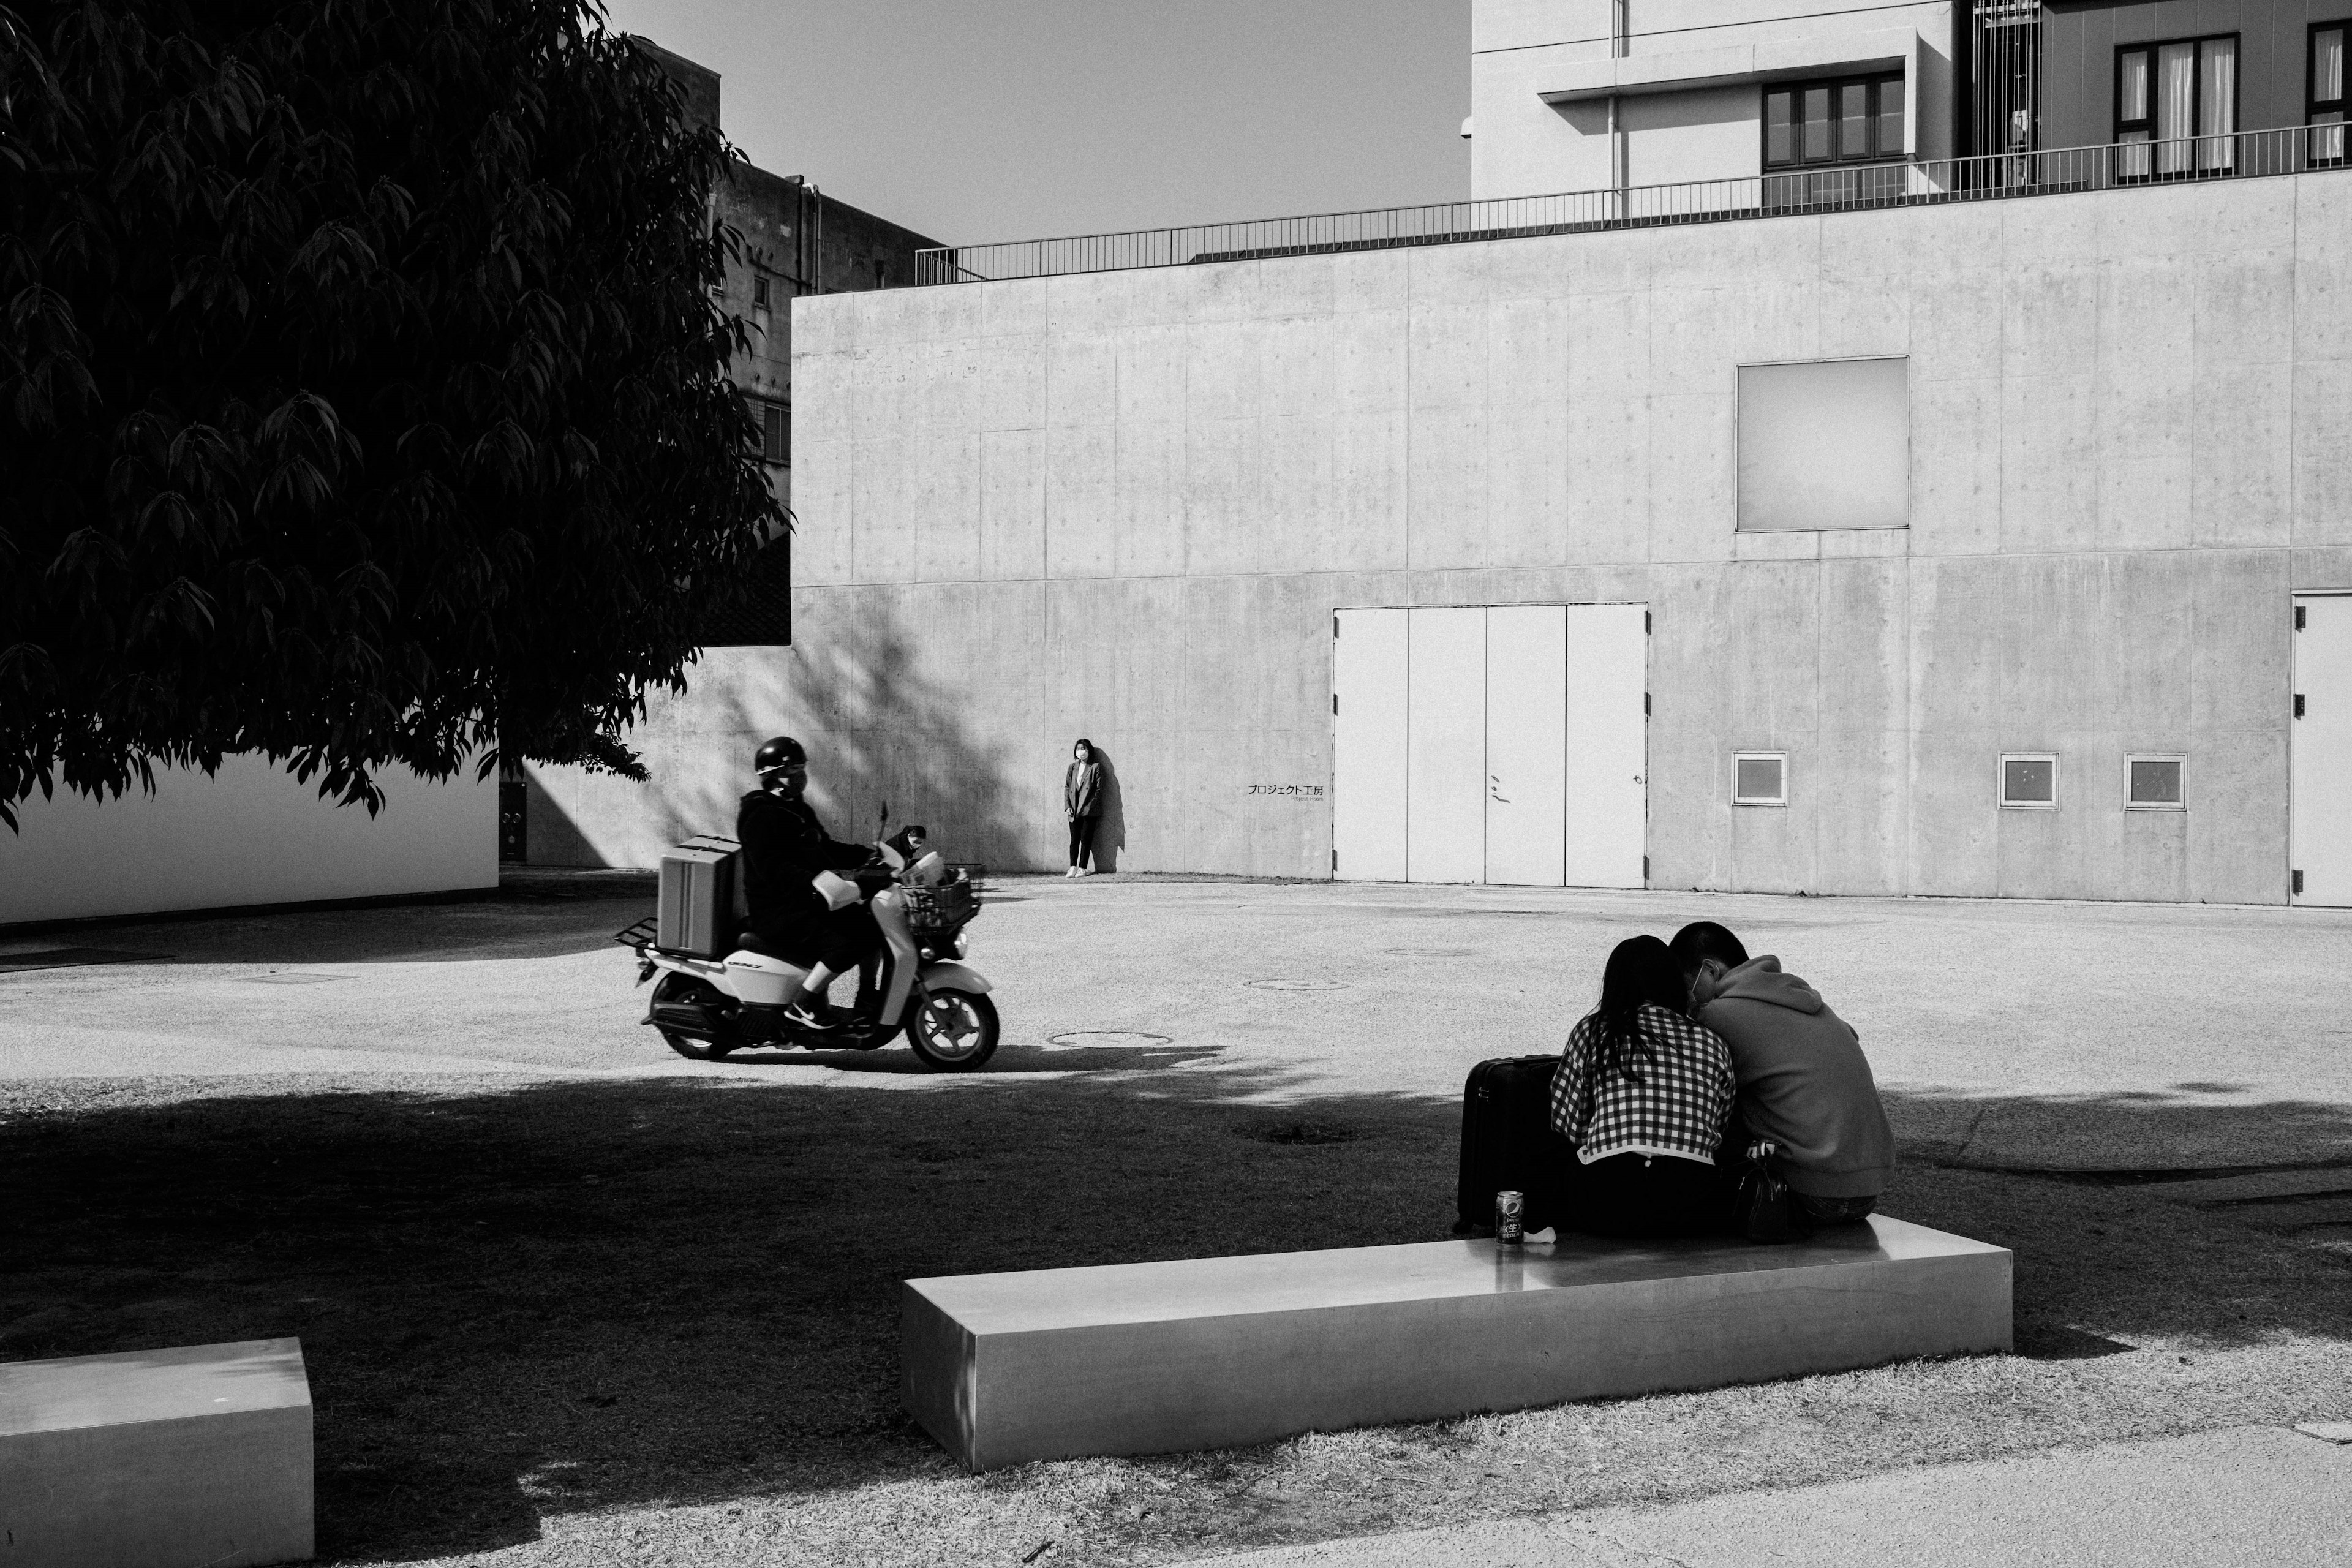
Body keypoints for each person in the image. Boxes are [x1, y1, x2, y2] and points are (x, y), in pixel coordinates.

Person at [1668, 921, 1894, 1227]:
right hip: (1868, 1189)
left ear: (1709, 971)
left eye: (1685, 988)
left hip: (1807, 1191)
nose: (1687, 1001)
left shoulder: (1715, 1016)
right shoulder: (1810, 1003)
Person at [1548, 935, 1737, 1237]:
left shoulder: (1593, 1032)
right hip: (1693, 1203)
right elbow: (1719, 1124)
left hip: (1607, 1200)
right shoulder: (1711, 1042)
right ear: (1675, 982)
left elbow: (1568, 1123)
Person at [736, 736, 880, 1031]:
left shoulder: (797, 809)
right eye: (794, 769)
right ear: (774, 776)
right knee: (851, 940)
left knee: (872, 923)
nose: (801, 775)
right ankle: (803, 1004)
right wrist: (818, 886)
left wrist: (870, 856)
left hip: (805, 902)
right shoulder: (759, 816)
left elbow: (825, 849)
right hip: (778, 911)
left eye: (802, 767)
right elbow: (774, 872)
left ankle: (866, 999)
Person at [1063, 739, 1104, 877]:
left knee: (1086, 840)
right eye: (1078, 749)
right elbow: (1068, 787)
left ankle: (1083, 868)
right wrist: (1067, 806)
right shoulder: (1072, 767)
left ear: (1089, 751)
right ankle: (1073, 867)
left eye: (1084, 749)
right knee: (1074, 840)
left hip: (1088, 810)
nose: (1081, 752)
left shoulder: (1095, 767)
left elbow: (1099, 790)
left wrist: (1089, 807)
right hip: (1074, 810)